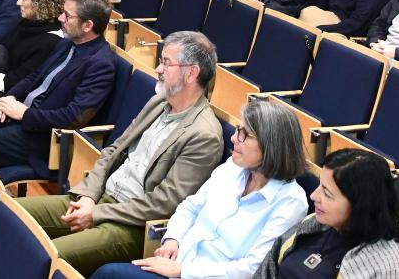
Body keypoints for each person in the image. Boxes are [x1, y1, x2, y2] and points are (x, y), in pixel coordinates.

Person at [15, 32, 224, 274]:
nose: (158, 69)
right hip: (100, 197)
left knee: (44, 255)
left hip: (131, 225)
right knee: (13, 215)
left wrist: (96, 213)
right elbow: (114, 149)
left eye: (166, 63)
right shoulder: (158, 103)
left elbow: (164, 204)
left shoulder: (204, 135)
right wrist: (89, 195)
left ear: (191, 73)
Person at [90, 99, 308, 279]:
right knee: (107, 274)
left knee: (109, 275)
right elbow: (190, 207)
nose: (234, 138)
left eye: (244, 134)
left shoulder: (291, 202)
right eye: (237, 130)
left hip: (196, 274)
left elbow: (252, 269)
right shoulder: (232, 167)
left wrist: (183, 271)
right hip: (175, 264)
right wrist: (172, 239)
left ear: (271, 145)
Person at [0, 0, 115, 179]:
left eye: (67, 15)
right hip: (20, 111)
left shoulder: (101, 64)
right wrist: (10, 98)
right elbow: (35, 76)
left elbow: (73, 117)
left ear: (87, 25)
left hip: (44, 135)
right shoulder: (66, 42)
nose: (60, 18)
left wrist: (24, 114)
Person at [254, 149, 399, 279]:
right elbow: (268, 269)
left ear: (360, 204)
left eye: (327, 193)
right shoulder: (315, 222)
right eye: (319, 185)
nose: (313, 196)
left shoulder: (385, 269)